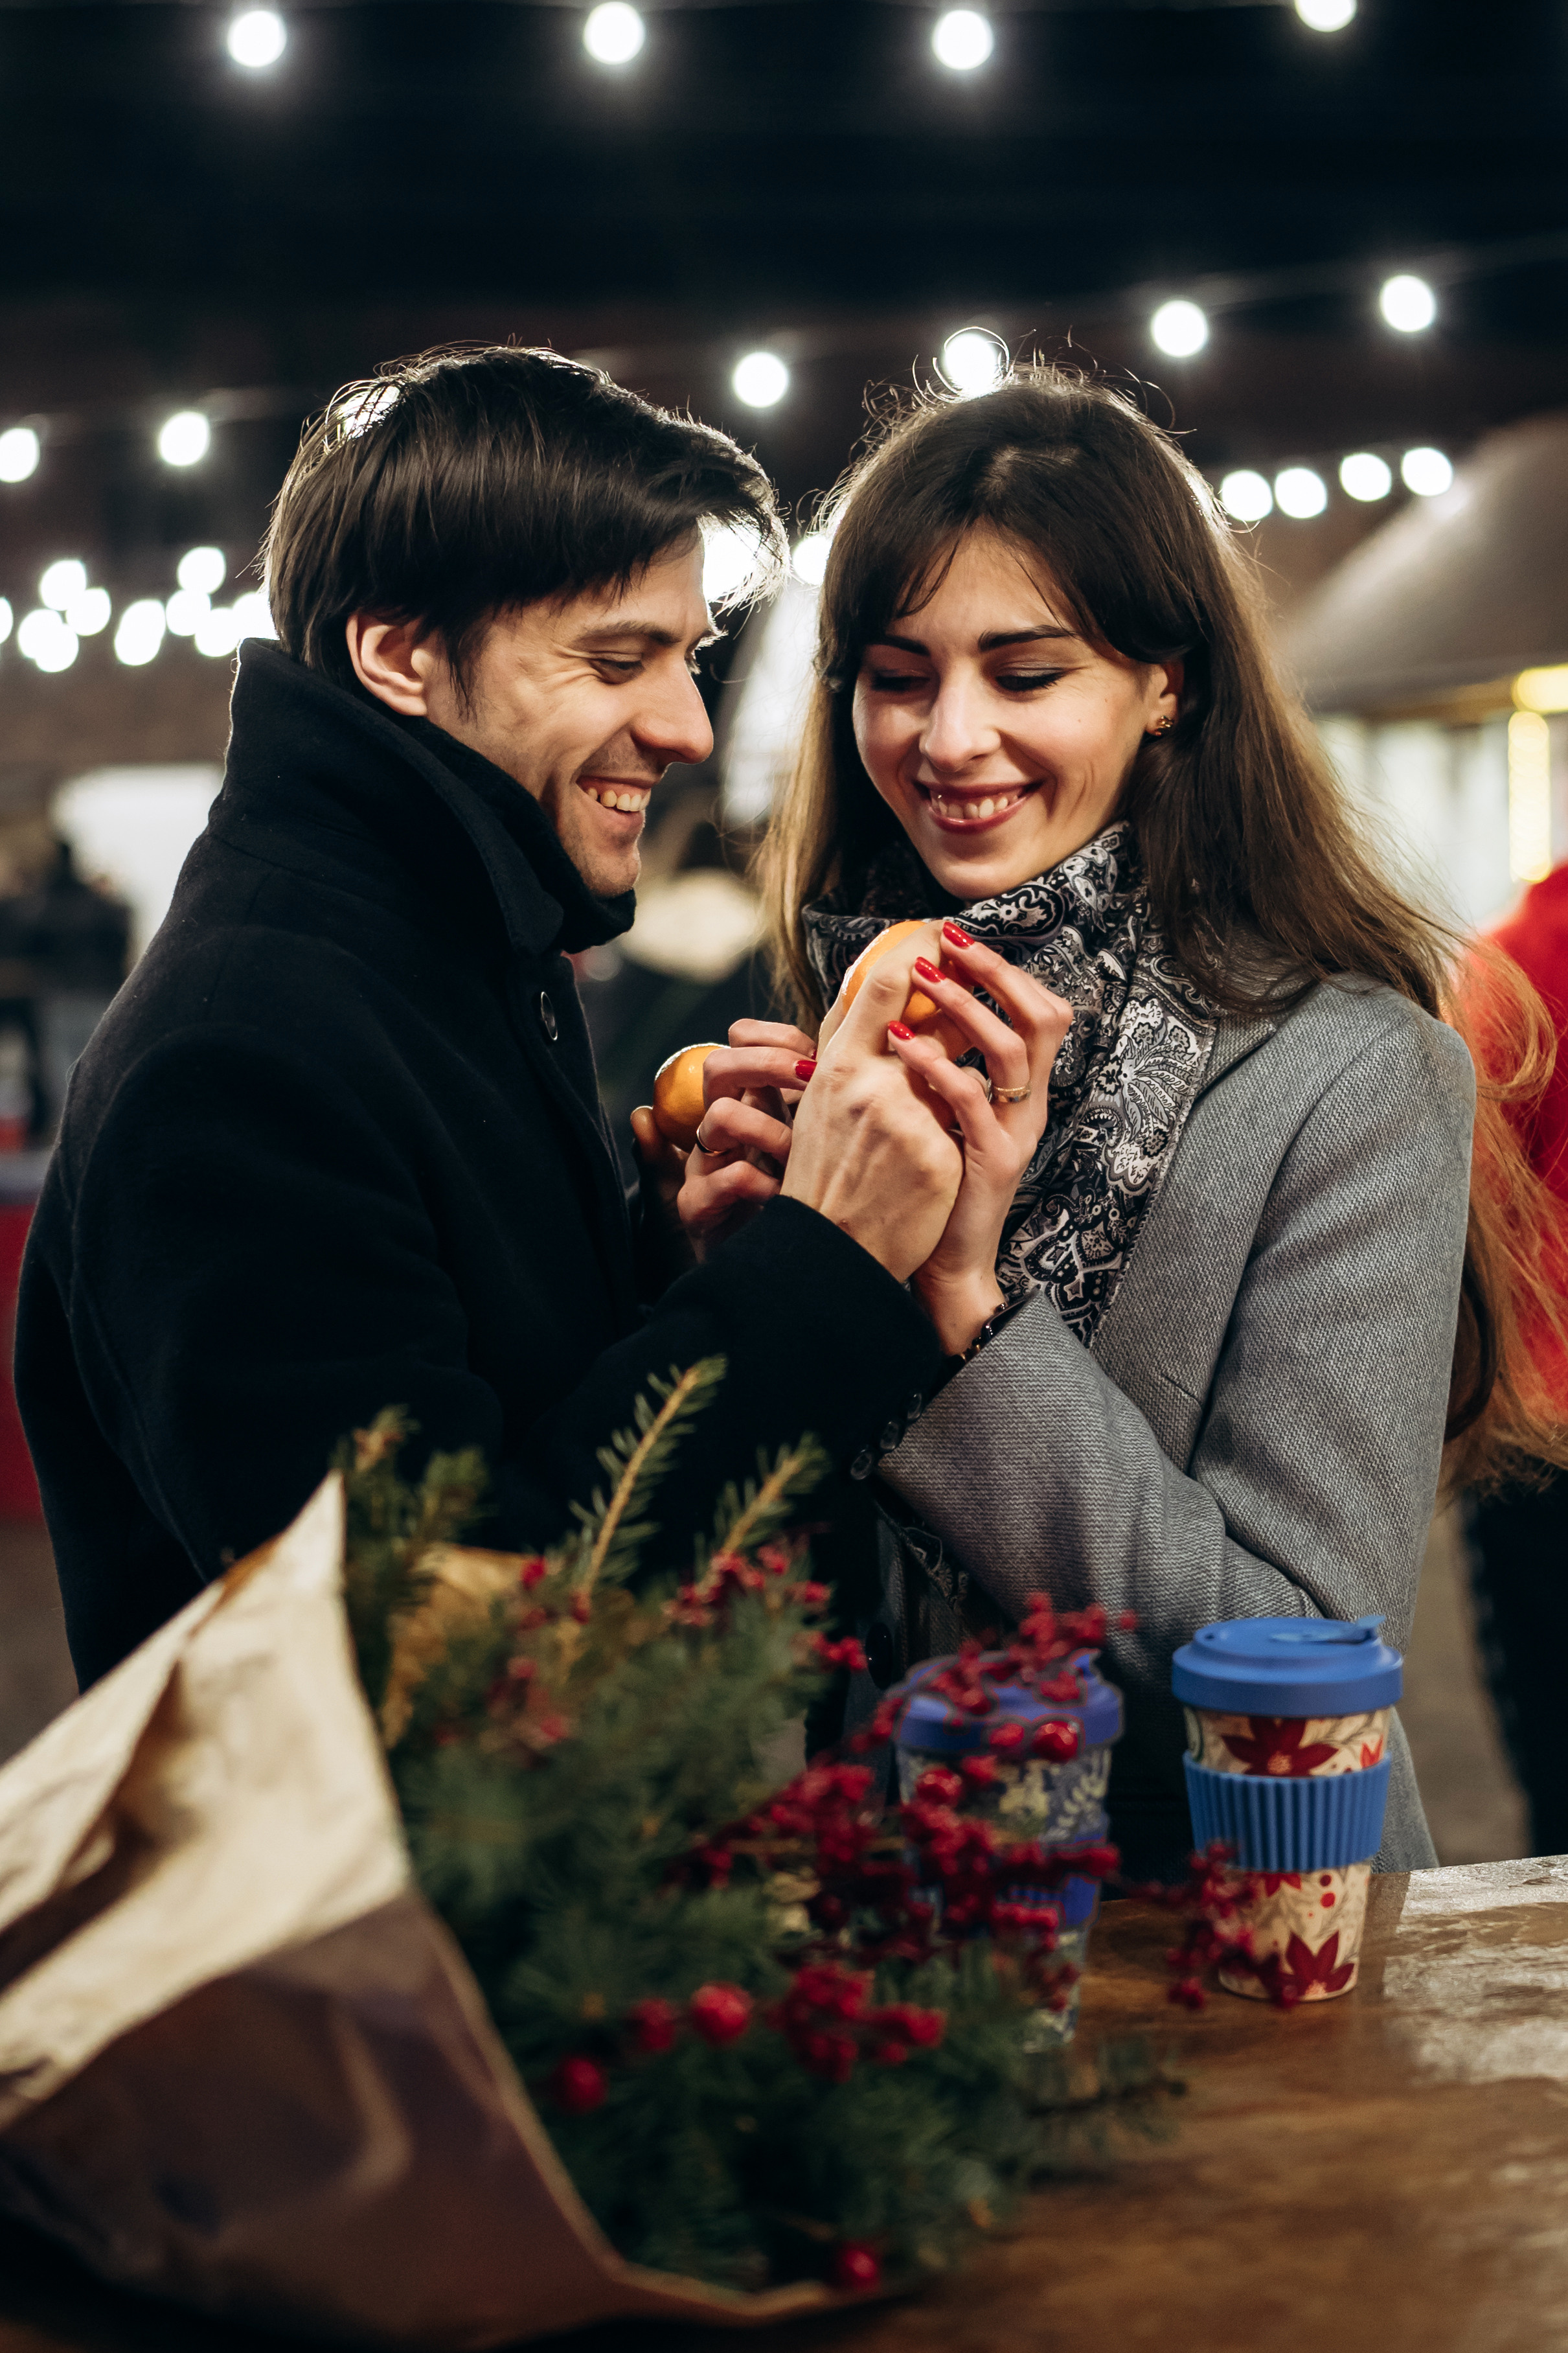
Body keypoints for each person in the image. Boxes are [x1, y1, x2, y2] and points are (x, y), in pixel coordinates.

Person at [681, 368, 1568, 1879]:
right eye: (896, 676)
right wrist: (735, 1288)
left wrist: (960, 1304)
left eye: (1024, 674)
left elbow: (1300, 1642)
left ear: (1168, 682)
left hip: (1206, 1920)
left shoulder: (1347, 1072)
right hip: (868, 1910)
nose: (949, 738)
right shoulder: (841, 1025)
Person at [16, 345, 961, 1688]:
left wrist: (676, 1266)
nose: (686, 725)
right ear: (400, 653)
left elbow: (494, 1414)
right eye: (617, 658)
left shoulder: (445, 951)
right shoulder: (238, 1059)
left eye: (686, 658)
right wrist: (822, 1262)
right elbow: (440, 1654)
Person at [1464, 857, 1568, 1854]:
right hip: (1544, 1411)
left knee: (1557, 1729)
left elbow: (1474, 1209)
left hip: (1542, 1413)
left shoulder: (1507, 967)